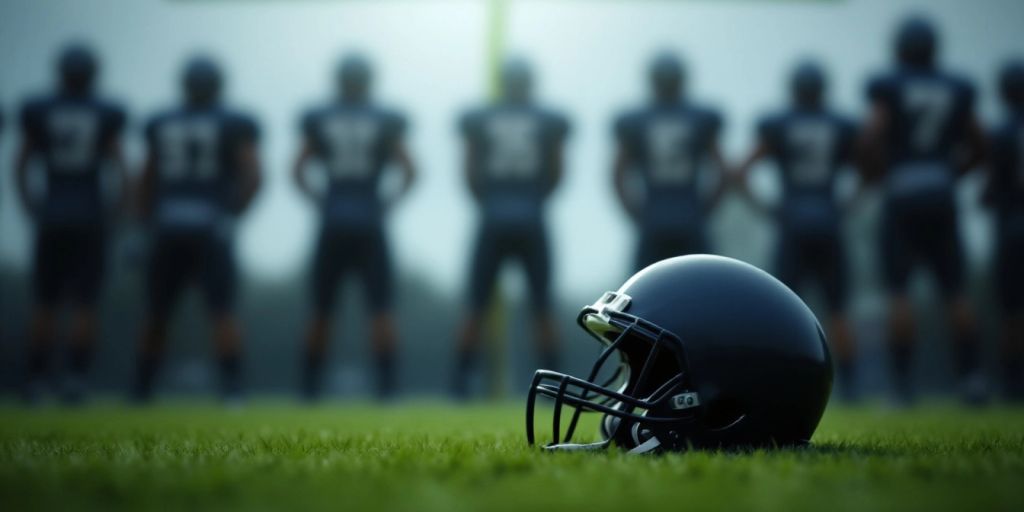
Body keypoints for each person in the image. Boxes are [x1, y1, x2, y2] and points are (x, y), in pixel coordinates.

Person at [861, 16, 987, 405]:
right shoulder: (957, 88)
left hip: (902, 194)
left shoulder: (890, 85)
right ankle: (971, 378)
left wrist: (880, 175)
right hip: (941, 192)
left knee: (899, 293)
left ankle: (901, 386)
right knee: (957, 293)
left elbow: (870, 136)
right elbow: (980, 142)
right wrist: (952, 174)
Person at [132, 56, 262, 404]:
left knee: (157, 312)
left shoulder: (162, 123)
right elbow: (253, 175)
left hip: (168, 225)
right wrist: (233, 213)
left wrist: (143, 223)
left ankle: (142, 389)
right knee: (222, 310)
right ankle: (232, 389)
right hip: (210, 225)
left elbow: (145, 179)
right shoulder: (234, 123)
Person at [735, 61, 860, 401]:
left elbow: (741, 170)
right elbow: (872, 165)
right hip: (827, 220)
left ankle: (777, 384)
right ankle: (851, 390)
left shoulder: (779, 125)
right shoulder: (841, 125)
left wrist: (766, 208)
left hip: (792, 222)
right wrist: (848, 204)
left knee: (781, 311)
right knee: (839, 310)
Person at [294, 54, 415, 400]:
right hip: (369, 219)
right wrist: (387, 202)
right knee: (381, 309)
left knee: (320, 310)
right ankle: (388, 389)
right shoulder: (384, 120)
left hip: (333, 219)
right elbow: (410, 169)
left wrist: (321, 201)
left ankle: (309, 389)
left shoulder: (321, 118)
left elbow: (297, 169)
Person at [15, 43, 127, 404]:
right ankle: (75, 379)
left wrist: (32, 206)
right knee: (84, 304)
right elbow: (121, 168)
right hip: (90, 215)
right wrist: (118, 213)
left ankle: (36, 380)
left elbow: (20, 165)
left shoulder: (40, 110)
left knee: (45, 303)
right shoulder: (105, 113)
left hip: (53, 213)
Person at [451, 57, 569, 398]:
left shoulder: (481, 118)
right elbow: (558, 171)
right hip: (532, 216)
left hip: (493, 216)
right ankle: (554, 389)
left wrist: (489, 202)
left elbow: (469, 171)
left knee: (475, 305)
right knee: (542, 307)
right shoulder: (548, 120)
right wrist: (534, 199)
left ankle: (460, 386)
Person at [613, 51, 729, 271]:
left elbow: (618, 173)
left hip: (653, 217)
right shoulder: (701, 118)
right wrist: (706, 208)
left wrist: (635, 212)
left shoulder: (635, 121)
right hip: (690, 215)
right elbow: (723, 170)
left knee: (640, 295)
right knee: (703, 290)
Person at [985, 59, 1024, 401]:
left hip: (1014, 224)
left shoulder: (1003, 132)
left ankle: (1014, 383)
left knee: (1011, 311)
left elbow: (991, 189)